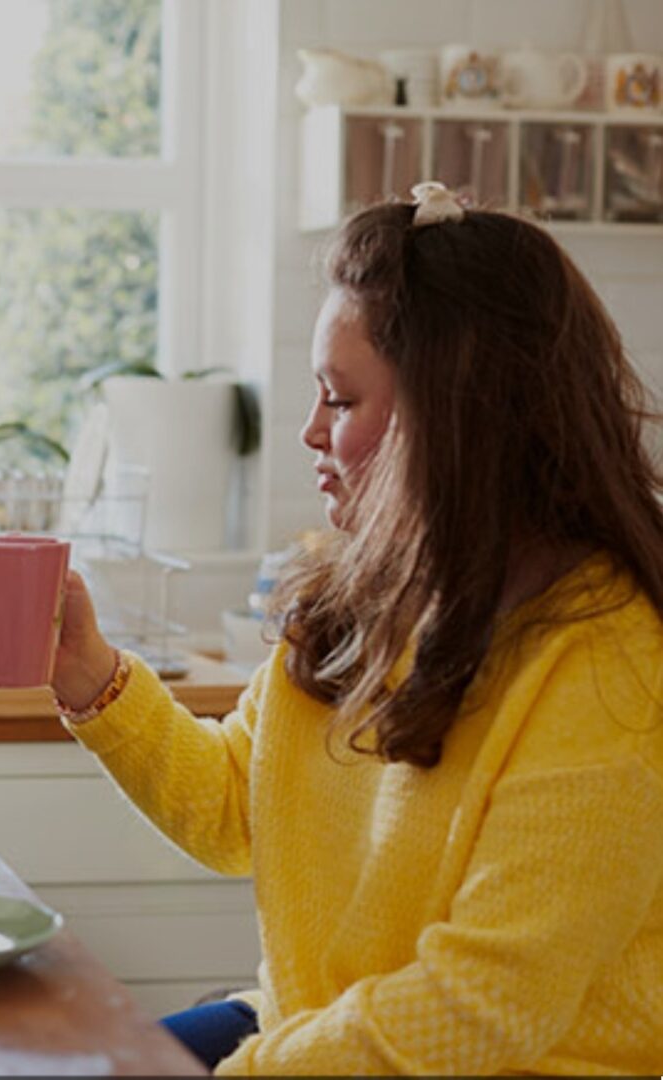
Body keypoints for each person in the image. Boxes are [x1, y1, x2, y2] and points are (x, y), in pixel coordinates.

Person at [50, 182, 663, 1075]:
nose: (308, 431)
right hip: (318, 1037)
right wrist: (92, 678)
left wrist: (249, 1069)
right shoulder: (362, 595)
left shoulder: (610, 661)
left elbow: (486, 1005)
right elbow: (236, 808)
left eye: (340, 401)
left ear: (458, 417)